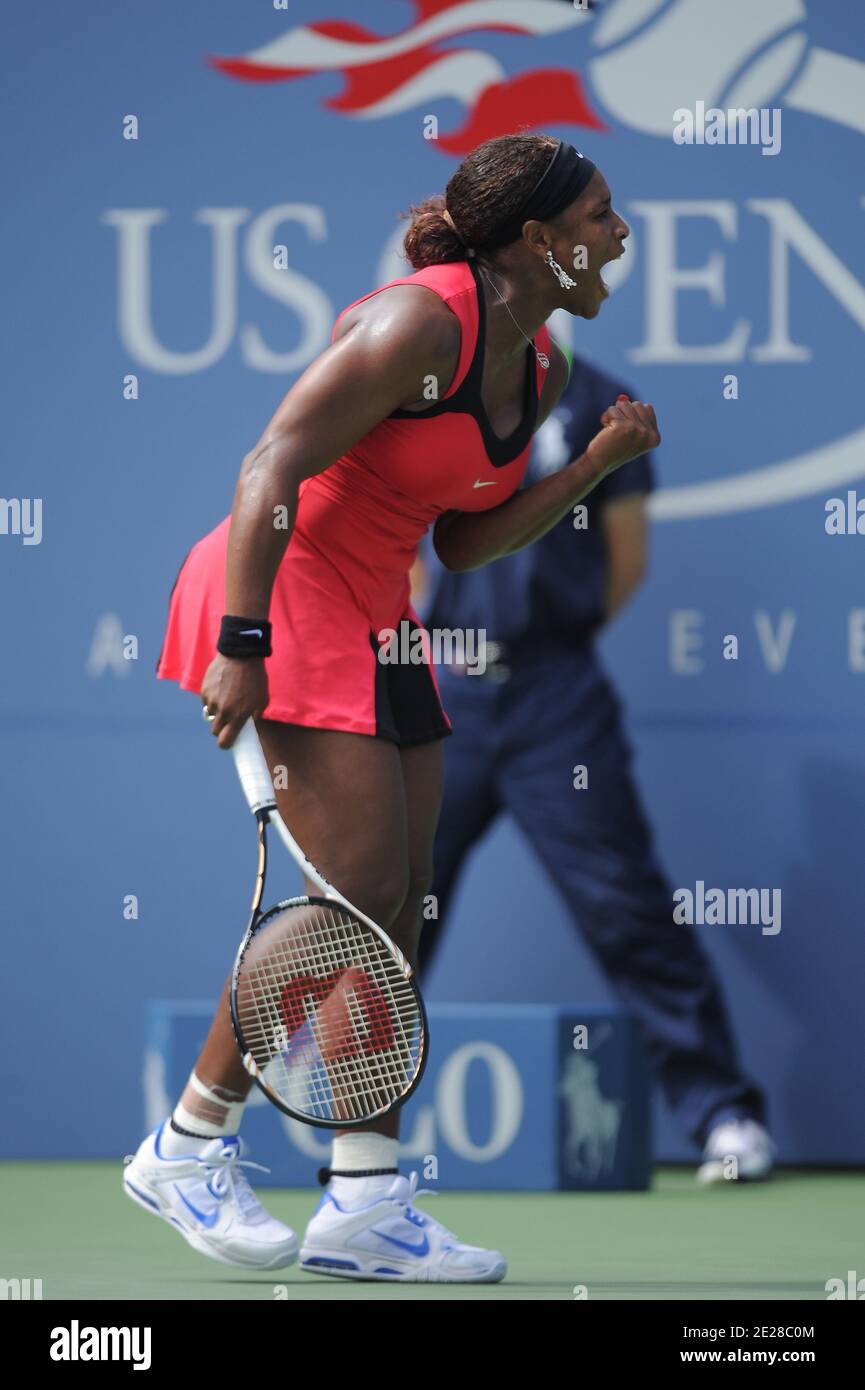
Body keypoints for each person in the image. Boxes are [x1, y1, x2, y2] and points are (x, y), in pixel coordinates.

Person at [123, 134, 658, 1282]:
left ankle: (364, 1201)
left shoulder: (547, 366)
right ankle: (187, 1142)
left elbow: (462, 537)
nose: (621, 234)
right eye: (602, 216)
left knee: (399, 906)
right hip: (280, 587)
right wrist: (244, 641)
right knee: (355, 891)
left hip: (380, 608)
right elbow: (271, 463)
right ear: (536, 239)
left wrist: (589, 470)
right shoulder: (421, 323)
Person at [417, 348, 774, 1185]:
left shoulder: (607, 403)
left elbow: (626, 562)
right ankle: (321, 1111)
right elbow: (401, 544)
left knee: (625, 904)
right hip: (441, 688)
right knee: (391, 905)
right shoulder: (434, 385)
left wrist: (549, 649)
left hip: (556, 697)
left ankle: (722, 1112)